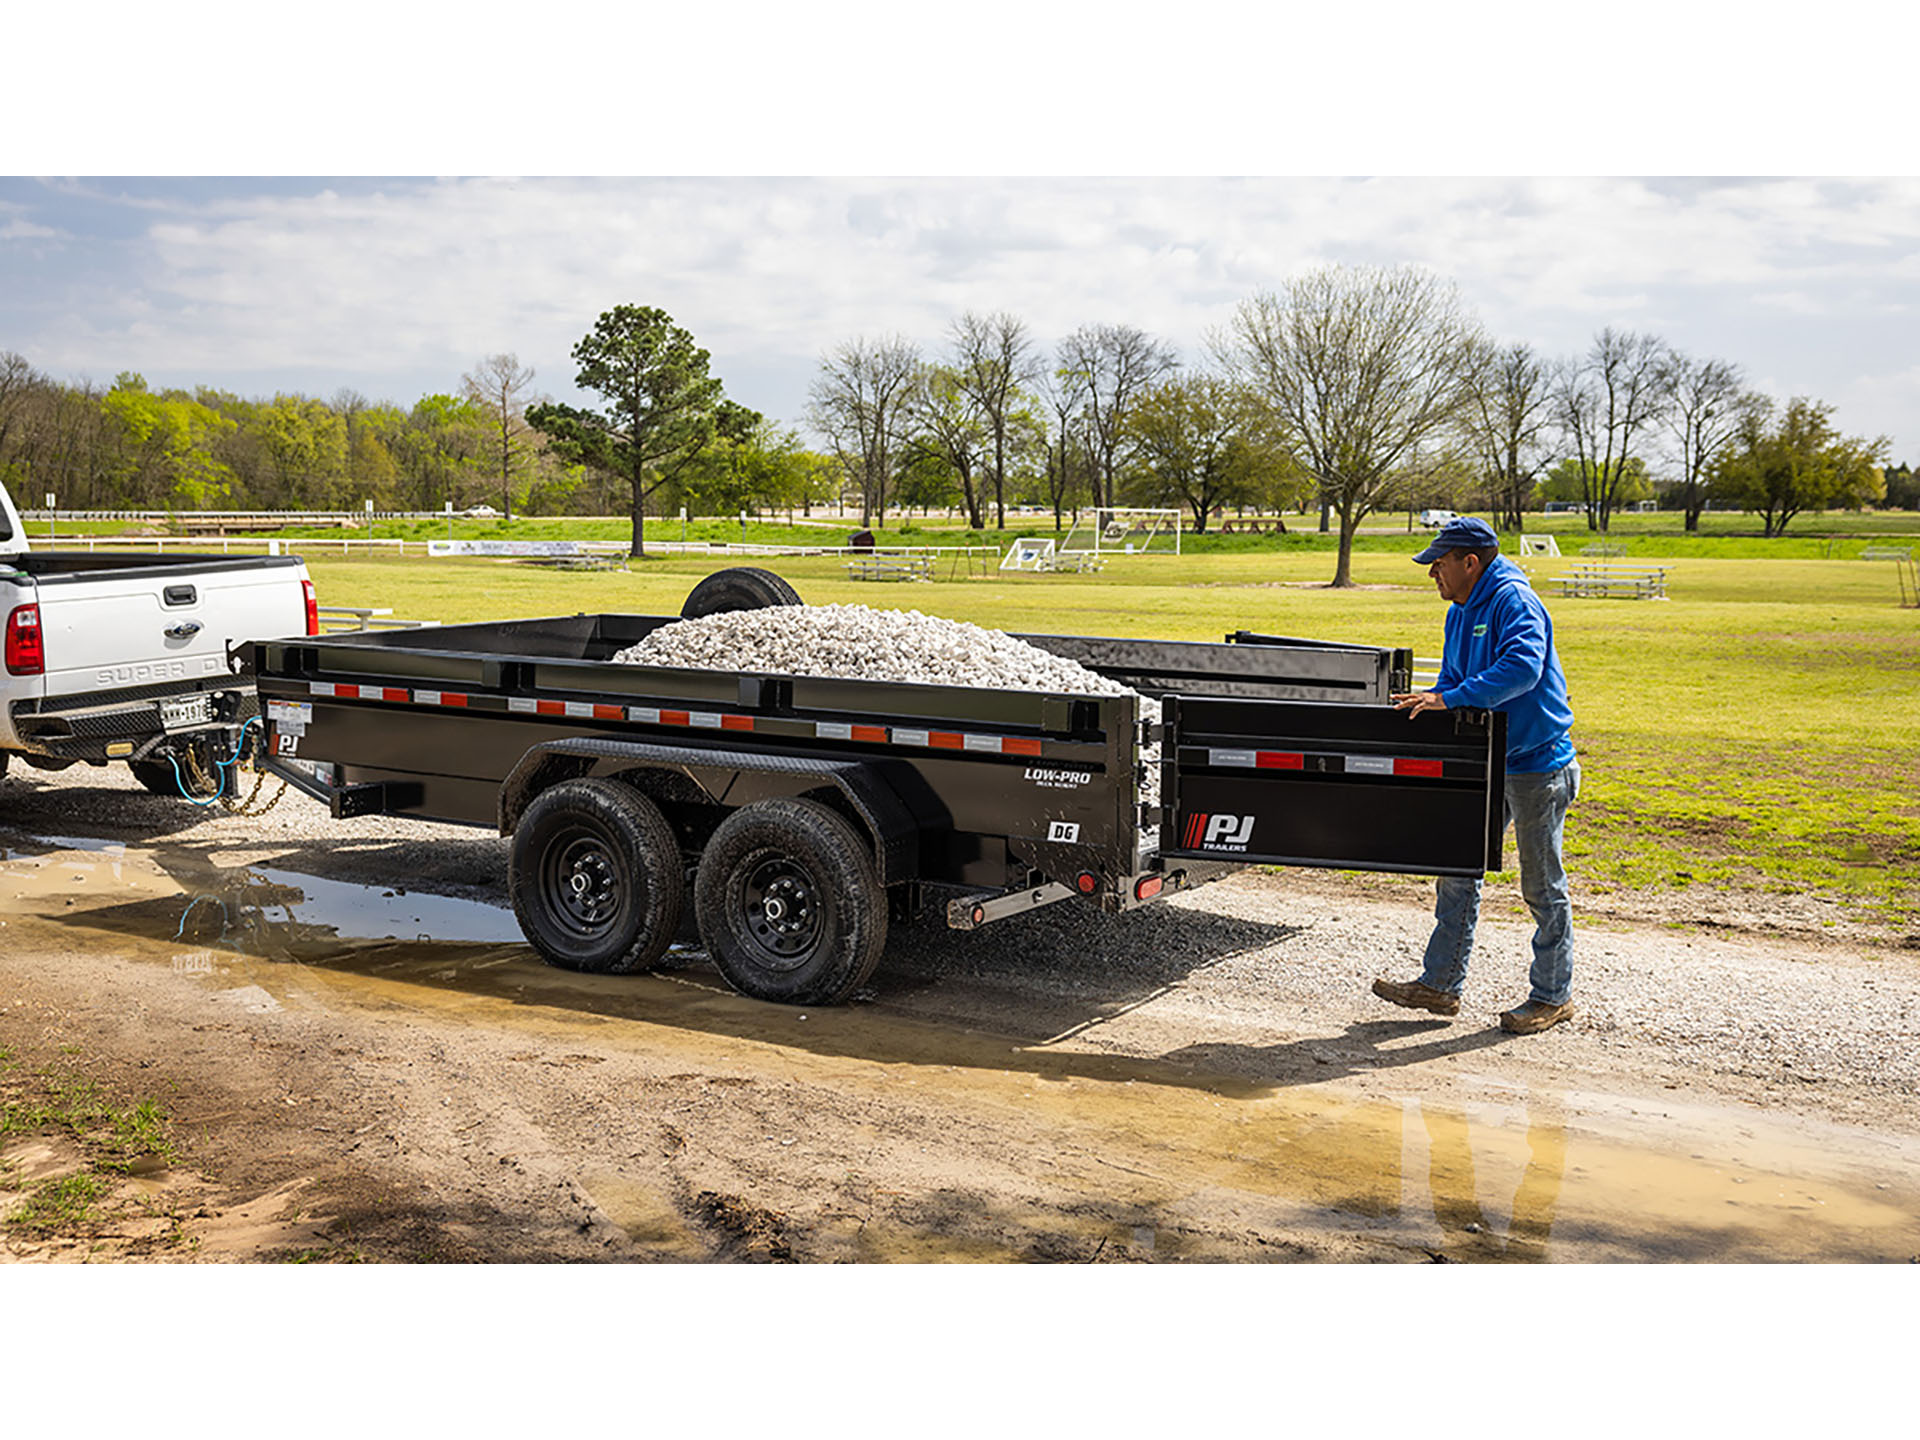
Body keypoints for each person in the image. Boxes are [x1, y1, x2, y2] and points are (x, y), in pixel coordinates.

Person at [1374, 516, 1581, 1035]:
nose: (1432, 575)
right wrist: (1429, 707)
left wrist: (1448, 698)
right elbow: (1451, 679)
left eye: (1439, 564)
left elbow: (1522, 669)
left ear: (1471, 562)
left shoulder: (1514, 601)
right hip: (1489, 760)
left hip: (1537, 765)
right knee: (1456, 868)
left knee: (1540, 884)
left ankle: (1553, 996)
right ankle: (1441, 985)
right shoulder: (1460, 610)